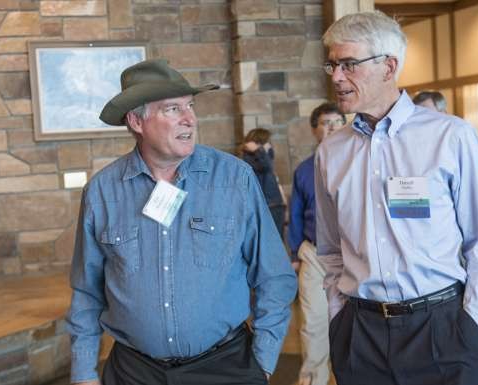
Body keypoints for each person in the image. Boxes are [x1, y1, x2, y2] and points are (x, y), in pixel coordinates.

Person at [67, 59, 297, 385]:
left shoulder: (235, 178)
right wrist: (83, 372)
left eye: (190, 106)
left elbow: (274, 276)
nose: (190, 118)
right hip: (135, 372)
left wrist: (263, 361)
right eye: (173, 109)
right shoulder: (102, 192)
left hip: (226, 366)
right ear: (136, 120)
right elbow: (86, 293)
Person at [315, 11, 478, 385]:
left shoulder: (450, 137)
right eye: (333, 65)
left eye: (349, 64)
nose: (337, 77)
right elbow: (330, 249)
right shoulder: (331, 151)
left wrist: (474, 329)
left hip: (443, 330)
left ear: (389, 67)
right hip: (360, 335)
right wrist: (340, 318)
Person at [288, 102, 346, 385]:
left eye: (338, 122)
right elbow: (296, 213)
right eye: (325, 122)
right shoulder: (303, 170)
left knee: (355, 326)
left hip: (352, 256)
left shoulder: (357, 163)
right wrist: (295, 252)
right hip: (314, 252)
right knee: (313, 324)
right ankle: (313, 380)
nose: (332, 127)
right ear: (315, 130)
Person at [412, 91, 478, 209]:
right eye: (417, 116)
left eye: (427, 115)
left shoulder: (460, 142)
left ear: (444, 113)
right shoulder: (412, 151)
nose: (422, 121)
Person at [239, 128, 287, 237]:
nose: (270, 146)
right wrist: (259, 150)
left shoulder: (264, 155)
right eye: (267, 142)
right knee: (268, 241)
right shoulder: (249, 157)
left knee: (278, 240)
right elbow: (266, 166)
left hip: (276, 204)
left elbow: (272, 174)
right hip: (265, 206)